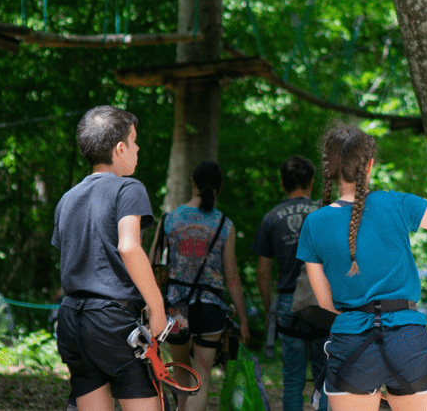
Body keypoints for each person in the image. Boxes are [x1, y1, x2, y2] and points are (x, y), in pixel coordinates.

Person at [296, 125, 427, 411]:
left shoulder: (313, 223)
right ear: (370, 164)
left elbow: (324, 301)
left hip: (351, 345)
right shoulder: (398, 203)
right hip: (407, 341)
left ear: (330, 168)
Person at [52, 105, 164, 411]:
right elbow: (129, 247)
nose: (137, 147)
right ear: (120, 148)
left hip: (72, 319)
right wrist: (157, 308)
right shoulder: (129, 188)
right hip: (112, 321)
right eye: (134, 140)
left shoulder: (68, 198)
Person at [163, 160, 250, 411]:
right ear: (219, 187)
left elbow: (153, 265)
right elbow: (232, 278)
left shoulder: (170, 220)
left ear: (192, 183)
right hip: (210, 308)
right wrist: (243, 319)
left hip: (177, 308)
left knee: (180, 375)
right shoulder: (224, 225)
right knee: (201, 376)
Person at [252, 155, 328, 411]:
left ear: (282, 184)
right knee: (325, 378)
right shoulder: (324, 213)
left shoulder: (271, 218)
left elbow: (263, 271)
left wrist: (268, 309)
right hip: (321, 302)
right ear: (312, 182)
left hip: (287, 303)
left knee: (293, 380)